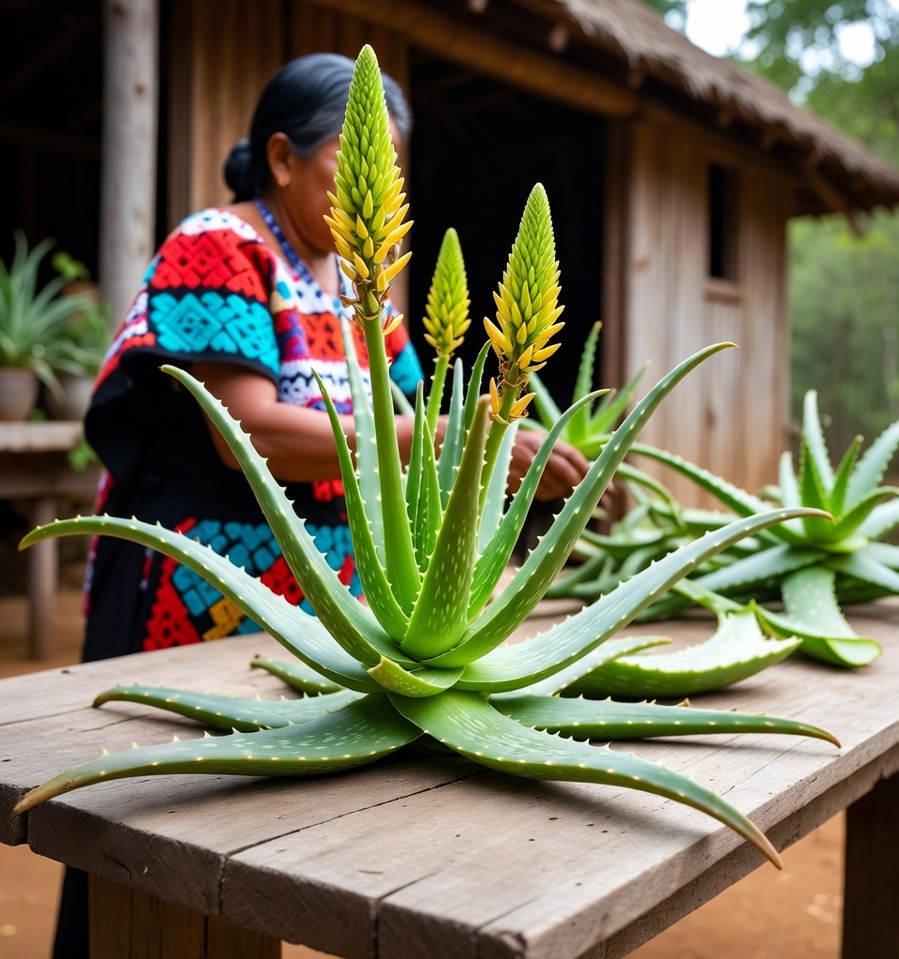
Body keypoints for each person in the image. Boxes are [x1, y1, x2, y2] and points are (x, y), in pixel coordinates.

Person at [53, 52, 591, 957]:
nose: (372, 194)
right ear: (281, 157)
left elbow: (413, 428)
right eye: (355, 167)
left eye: (389, 178)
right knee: (145, 848)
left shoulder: (359, 292)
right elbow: (243, 430)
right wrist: (461, 439)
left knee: (252, 855)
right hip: (196, 590)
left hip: (314, 606)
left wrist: (498, 455)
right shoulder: (217, 244)